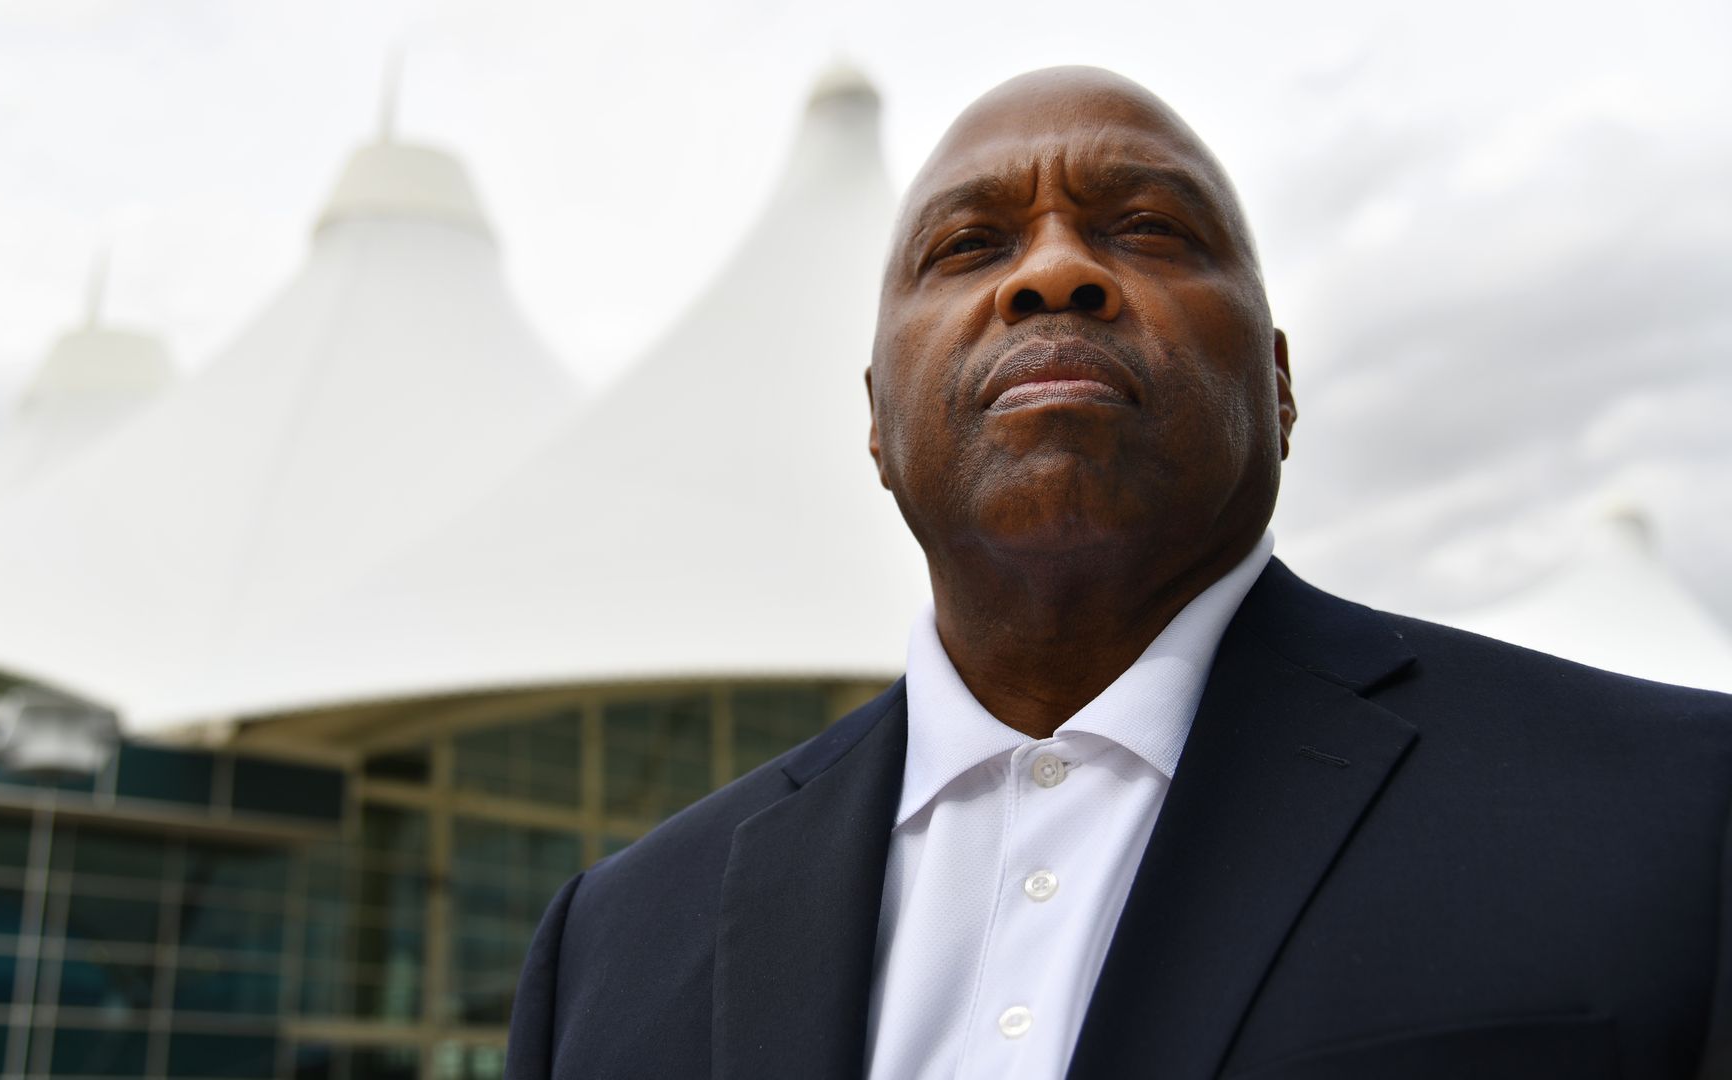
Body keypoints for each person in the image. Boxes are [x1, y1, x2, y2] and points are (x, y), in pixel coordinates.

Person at [505, 67, 1732, 1080]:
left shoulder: (1679, 815)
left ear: (1282, 382)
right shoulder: (613, 948)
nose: (1050, 273)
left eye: (1146, 228)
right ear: (878, 421)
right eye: (969, 244)